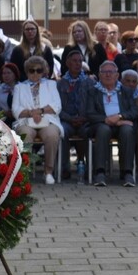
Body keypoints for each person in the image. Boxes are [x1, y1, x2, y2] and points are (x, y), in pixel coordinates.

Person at [12, 55, 62, 185]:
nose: (35, 73)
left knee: (52, 135)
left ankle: (48, 172)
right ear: (27, 71)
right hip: (26, 121)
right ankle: (25, 171)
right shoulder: (19, 87)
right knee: (25, 135)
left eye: (39, 70)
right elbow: (15, 110)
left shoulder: (51, 84)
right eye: (31, 70)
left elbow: (57, 105)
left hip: (48, 119)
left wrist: (40, 111)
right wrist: (30, 113)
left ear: (44, 71)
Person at [86, 60, 138, 187]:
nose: (108, 75)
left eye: (111, 72)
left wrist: (119, 117)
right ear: (99, 75)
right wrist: (106, 119)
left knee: (127, 130)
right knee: (103, 130)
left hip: (121, 123)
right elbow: (89, 113)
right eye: (104, 72)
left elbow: (134, 111)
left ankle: (127, 173)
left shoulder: (126, 91)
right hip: (101, 124)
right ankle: (100, 173)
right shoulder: (92, 91)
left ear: (117, 75)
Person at [58, 50, 91, 181]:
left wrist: (85, 118)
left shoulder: (90, 83)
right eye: (74, 61)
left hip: (85, 120)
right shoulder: (60, 84)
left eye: (80, 61)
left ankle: (88, 168)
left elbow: (94, 105)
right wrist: (70, 119)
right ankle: (64, 168)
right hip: (67, 120)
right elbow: (57, 107)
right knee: (62, 131)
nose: (78, 64)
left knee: (88, 131)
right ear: (67, 63)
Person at [0, 61, 20, 126]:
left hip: (19, 118)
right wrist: (4, 112)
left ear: (15, 74)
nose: (6, 75)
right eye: (4, 73)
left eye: (9, 73)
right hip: (3, 119)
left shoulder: (22, 88)